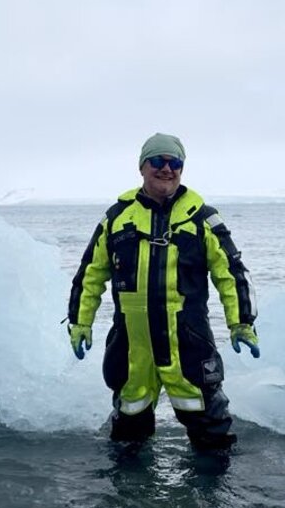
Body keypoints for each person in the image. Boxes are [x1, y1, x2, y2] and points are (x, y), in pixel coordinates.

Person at [67, 133, 259, 451]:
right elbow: (90, 274)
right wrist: (80, 322)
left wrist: (241, 323)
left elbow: (231, 273)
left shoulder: (202, 218)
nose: (166, 169)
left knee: (212, 433)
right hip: (132, 345)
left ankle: (212, 497)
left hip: (188, 340)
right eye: (158, 161)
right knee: (128, 434)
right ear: (142, 166)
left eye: (175, 163)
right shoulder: (116, 218)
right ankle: (131, 497)